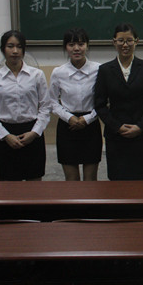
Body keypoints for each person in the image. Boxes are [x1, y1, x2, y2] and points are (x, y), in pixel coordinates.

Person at [0, 30, 49, 181]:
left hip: (32, 132)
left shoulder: (37, 75)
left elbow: (45, 107)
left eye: (19, 46)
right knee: (10, 185)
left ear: (24, 49)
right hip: (6, 134)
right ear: (3, 49)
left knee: (35, 183)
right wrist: (5, 136)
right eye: (10, 46)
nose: (15, 51)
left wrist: (35, 132)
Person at [94, 23, 143, 180]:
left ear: (136, 41)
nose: (125, 45)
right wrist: (117, 127)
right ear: (114, 42)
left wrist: (140, 127)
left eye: (129, 40)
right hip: (116, 137)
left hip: (142, 136)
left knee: (142, 182)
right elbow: (100, 104)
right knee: (118, 183)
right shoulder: (105, 70)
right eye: (121, 41)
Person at [48, 28, 102, 181]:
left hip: (91, 125)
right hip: (67, 126)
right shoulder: (58, 72)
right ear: (65, 47)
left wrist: (88, 119)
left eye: (81, 44)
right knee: (72, 182)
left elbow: (103, 100)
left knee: (90, 180)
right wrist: (69, 117)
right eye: (71, 44)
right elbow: (52, 101)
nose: (76, 48)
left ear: (87, 46)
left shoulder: (99, 69)